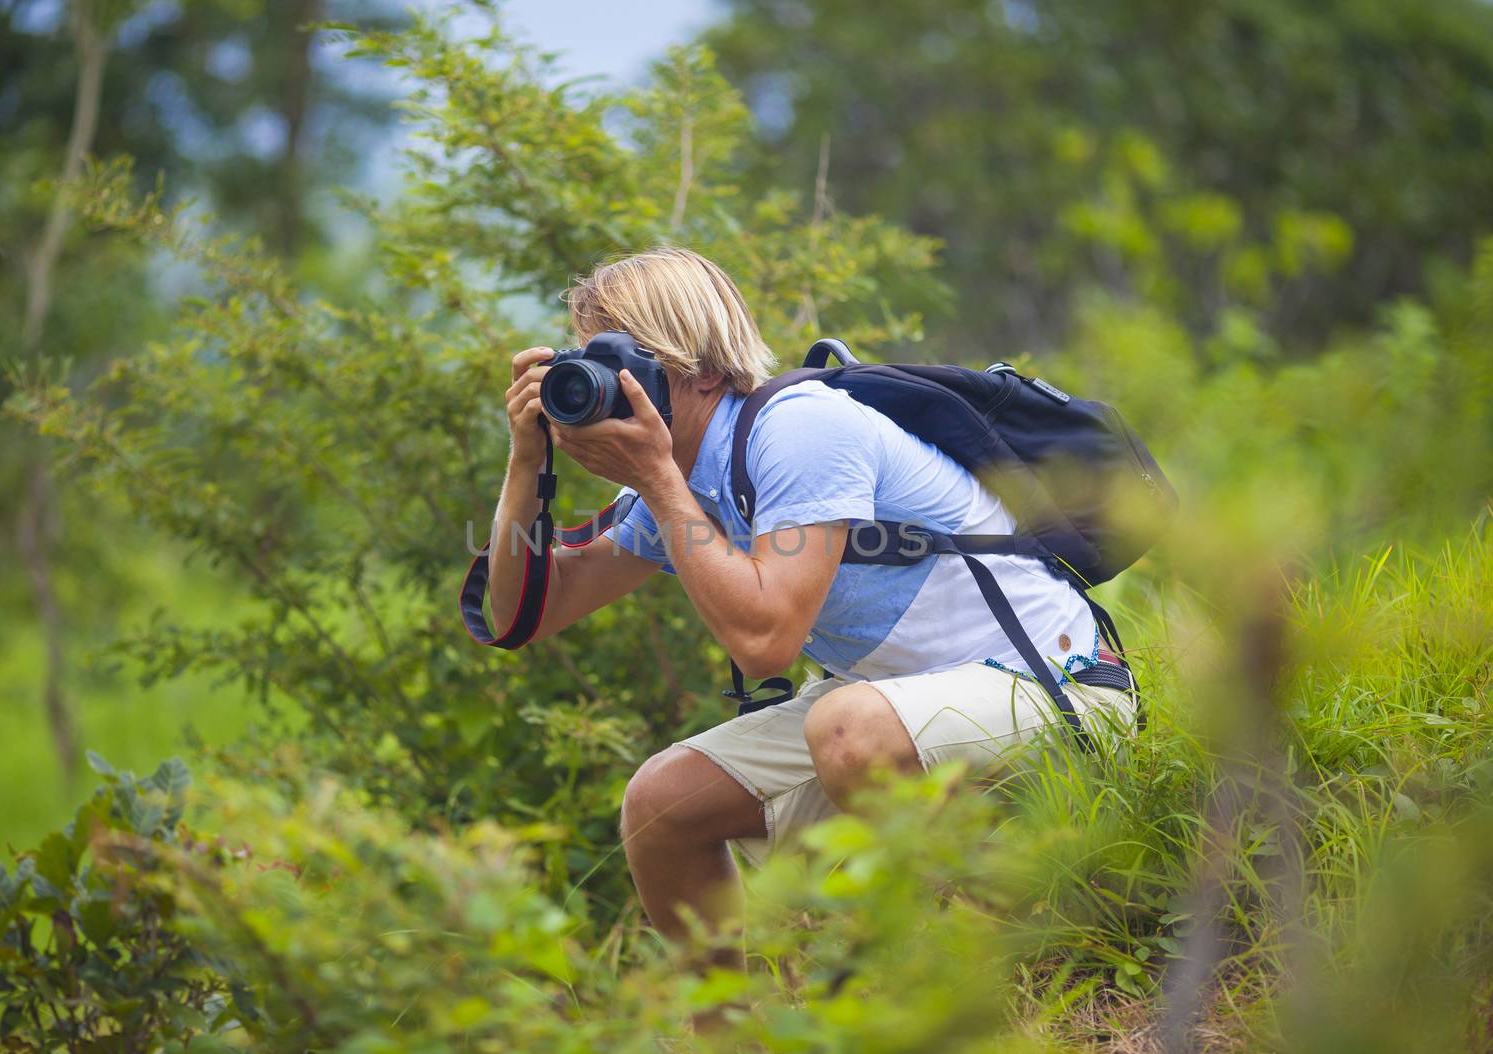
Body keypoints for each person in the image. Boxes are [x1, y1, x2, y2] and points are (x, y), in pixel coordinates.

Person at [485, 246, 1134, 949]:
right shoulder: (675, 473)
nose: (601, 386)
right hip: (898, 710)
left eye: (620, 362)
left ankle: (999, 949)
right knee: (659, 803)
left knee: (848, 726)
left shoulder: (799, 429)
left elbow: (766, 644)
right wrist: (526, 462)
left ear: (700, 365)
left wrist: (656, 482)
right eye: (586, 364)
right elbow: (526, 609)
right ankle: (725, 1045)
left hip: (1057, 690)